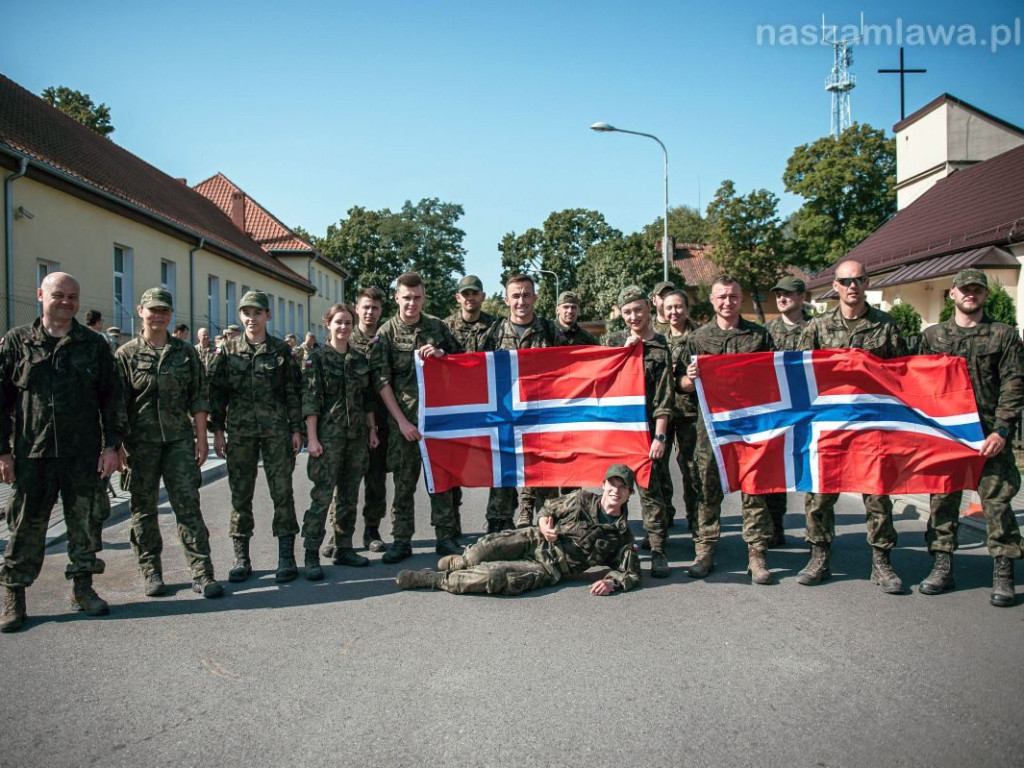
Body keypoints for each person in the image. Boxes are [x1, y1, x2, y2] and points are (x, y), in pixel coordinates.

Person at [0, 272, 125, 633]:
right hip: (32, 455)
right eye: (59, 295)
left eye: (73, 296)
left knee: (85, 525)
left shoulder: (94, 345)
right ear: (41, 295)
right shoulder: (17, 343)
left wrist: (112, 447)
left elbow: (111, 399)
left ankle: (83, 588)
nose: (66, 302)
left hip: (82, 455)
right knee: (24, 527)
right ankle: (13, 594)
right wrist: (3, 452)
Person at [797, 259, 908, 593]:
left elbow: (903, 373)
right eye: (845, 282)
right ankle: (819, 557)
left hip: (872, 426)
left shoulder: (885, 326)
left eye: (858, 280)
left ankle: (882, 562)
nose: (852, 287)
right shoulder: (817, 328)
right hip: (830, 426)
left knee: (877, 495)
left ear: (866, 282)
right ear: (836, 285)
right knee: (819, 496)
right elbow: (799, 375)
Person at [917, 269, 1023, 607]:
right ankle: (942, 566)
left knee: (997, 504)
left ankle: (1003, 571)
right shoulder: (932, 337)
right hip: (947, 436)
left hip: (990, 436)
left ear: (985, 295)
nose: (970, 294)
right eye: (964, 289)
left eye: (977, 289)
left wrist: (1002, 429)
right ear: (952, 294)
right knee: (942, 502)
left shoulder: (1003, 336)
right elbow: (917, 382)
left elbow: (1014, 384)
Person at [114, 288, 222, 599]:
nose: (159, 315)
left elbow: (198, 397)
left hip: (178, 442)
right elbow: (117, 405)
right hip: (140, 445)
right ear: (140, 311)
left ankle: (202, 572)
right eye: (153, 310)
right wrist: (117, 446)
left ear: (171, 314)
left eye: (164, 310)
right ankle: (151, 572)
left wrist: (201, 437)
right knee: (143, 511)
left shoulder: (185, 352)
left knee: (188, 508)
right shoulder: (126, 355)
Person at [395, 464, 641, 596]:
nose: (615, 491)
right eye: (612, 484)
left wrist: (613, 583)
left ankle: (435, 580)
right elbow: (549, 508)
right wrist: (544, 522)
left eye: (623, 487)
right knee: (483, 550)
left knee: (494, 576)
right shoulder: (581, 498)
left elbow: (630, 573)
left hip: (548, 567)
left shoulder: (621, 536)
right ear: (603, 484)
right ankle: (462, 561)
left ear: (629, 494)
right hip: (535, 539)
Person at [679, 275, 776, 584]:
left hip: (750, 426)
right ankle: (705, 549)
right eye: (721, 297)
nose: (727, 302)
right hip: (711, 430)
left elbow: (775, 379)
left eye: (733, 297)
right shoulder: (697, 338)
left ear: (740, 298)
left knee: (753, 487)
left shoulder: (759, 336)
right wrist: (691, 378)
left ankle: (756, 553)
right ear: (712, 300)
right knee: (707, 488)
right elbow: (680, 384)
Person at [209, 290, 303, 584]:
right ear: (240, 316)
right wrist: (218, 432)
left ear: (267, 316)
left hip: (277, 431)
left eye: (257, 313)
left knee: (282, 493)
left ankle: (286, 557)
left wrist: (296, 429)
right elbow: (217, 394)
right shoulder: (228, 351)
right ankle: (241, 557)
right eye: (246, 313)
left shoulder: (281, 351)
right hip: (240, 432)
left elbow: (293, 392)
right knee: (240, 494)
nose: (252, 318)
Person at [374, 272, 464, 563]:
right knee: (403, 484)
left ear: (424, 298)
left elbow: (463, 364)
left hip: (437, 421)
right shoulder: (386, 333)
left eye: (417, 297)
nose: (411, 303)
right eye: (406, 297)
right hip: (404, 424)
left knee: (441, 482)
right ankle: (401, 540)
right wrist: (401, 421)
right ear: (396, 298)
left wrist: (441, 354)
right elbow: (382, 382)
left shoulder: (438, 328)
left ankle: (446, 538)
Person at [300, 303, 381, 578]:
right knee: (322, 497)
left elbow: (368, 399)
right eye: (339, 322)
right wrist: (312, 439)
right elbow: (310, 401)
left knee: (349, 496)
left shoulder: (359, 360)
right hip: (328, 438)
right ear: (328, 325)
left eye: (348, 322)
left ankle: (344, 547)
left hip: (356, 437)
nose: (344, 327)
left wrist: (372, 430)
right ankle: (311, 552)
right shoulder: (318, 359)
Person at [481, 274, 567, 531]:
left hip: (541, 420)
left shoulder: (551, 331)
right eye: (516, 295)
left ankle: (549, 539)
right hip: (505, 420)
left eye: (526, 295)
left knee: (546, 486)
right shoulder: (494, 333)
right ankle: (498, 538)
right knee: (502, 485)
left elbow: (570, 367)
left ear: (535, 298)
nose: (521, 301)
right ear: (506, 299)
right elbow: (471, 367)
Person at [605, 286, 673, 578]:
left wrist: (659, 437)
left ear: (648, 307)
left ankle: (658, 551)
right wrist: (623, 352)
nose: (634, 316)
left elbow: (664, 397)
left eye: (638, 309)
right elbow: (599, 379)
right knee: (616, 490)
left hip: (647, 431)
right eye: (627, 312)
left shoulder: (660, 346)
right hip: (619, 429)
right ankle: (618, 547)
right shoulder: (613, 342)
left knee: (651, 492)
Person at [321, 287, 392, 558]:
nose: (370, 312)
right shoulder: (347, 336)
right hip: (346, 421)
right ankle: (337, 532)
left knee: (376, 480)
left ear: (380, 311)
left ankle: (371, 530)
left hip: (379, 418)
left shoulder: (386, 339)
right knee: (343, 481)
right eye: (365, 307)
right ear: (357, 308)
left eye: (375, 308)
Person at [444, 274, 497, 534]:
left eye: (474, 293)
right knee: (453, 466)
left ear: (482, 296)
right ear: (458, 298)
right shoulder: (444, 328)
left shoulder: (497, 327)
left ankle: (498, 523)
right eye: (465, 294)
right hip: (457, 410)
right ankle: (451, 525)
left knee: (498, 464)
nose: (470, 298)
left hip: (490, 408)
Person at [761, 276, 812, 548]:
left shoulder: (817, 327)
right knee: (775, 470)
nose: (782, 298)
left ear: (802, 297)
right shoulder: (766, 332)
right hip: (778, 409)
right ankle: (775, 524)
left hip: (811, 409)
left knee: (812, 467)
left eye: (788, 294)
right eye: (779, 294)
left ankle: (816, 533)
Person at [663, 289, 701, 534]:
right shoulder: (657, 338)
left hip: (691, 413)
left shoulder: (700, 337)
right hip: (662, 412)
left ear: (686, 309)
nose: (674, 312)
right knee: (658, 469)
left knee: (691, 469)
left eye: (678, 307)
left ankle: (696, 521)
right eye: (669, 308)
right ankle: (663, 520)